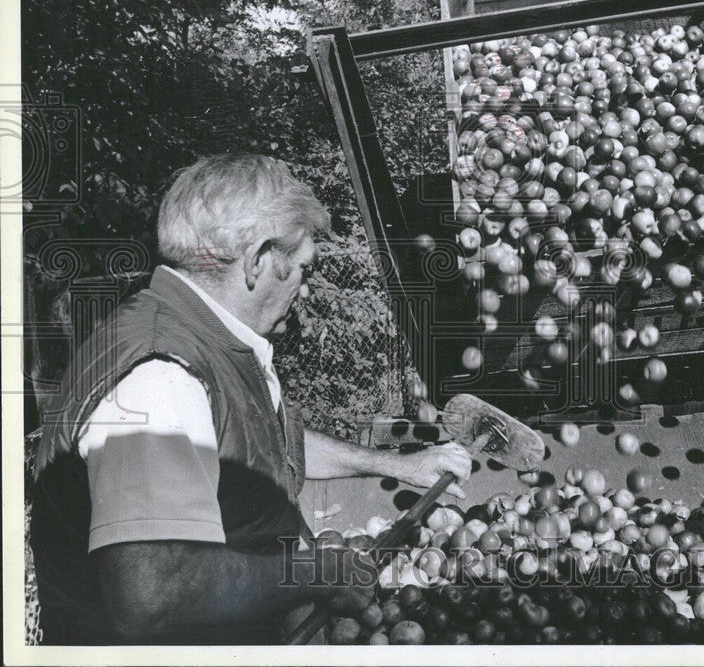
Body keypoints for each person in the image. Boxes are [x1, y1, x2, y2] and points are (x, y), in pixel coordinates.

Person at [31, 154, 472, 645]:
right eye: (303, 268)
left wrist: (399, 466)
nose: (304, 290)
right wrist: (316, 575)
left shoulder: (205, 340)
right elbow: (151, 596)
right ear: (258, 259)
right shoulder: (160, 377)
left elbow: (257, 434)